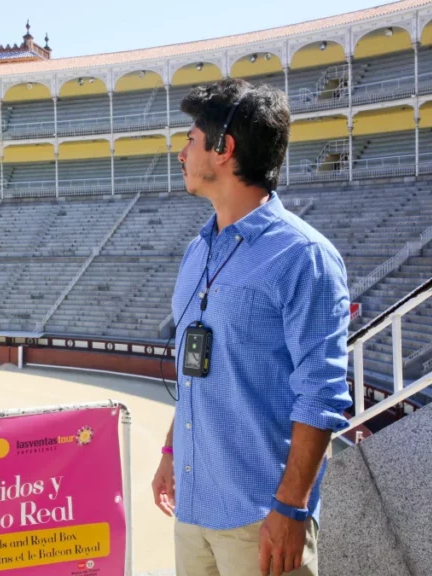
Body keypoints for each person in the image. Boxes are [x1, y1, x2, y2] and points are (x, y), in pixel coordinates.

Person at [151, 78, 352, 576]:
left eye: (192, 139)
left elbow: (322, 394)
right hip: (193, 508)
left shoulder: (304, 256)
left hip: (260, 515)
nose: (181, 151)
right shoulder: (199, 249)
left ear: (225, 148)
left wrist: (290, 507)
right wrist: (171, 452)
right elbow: (195, 371)